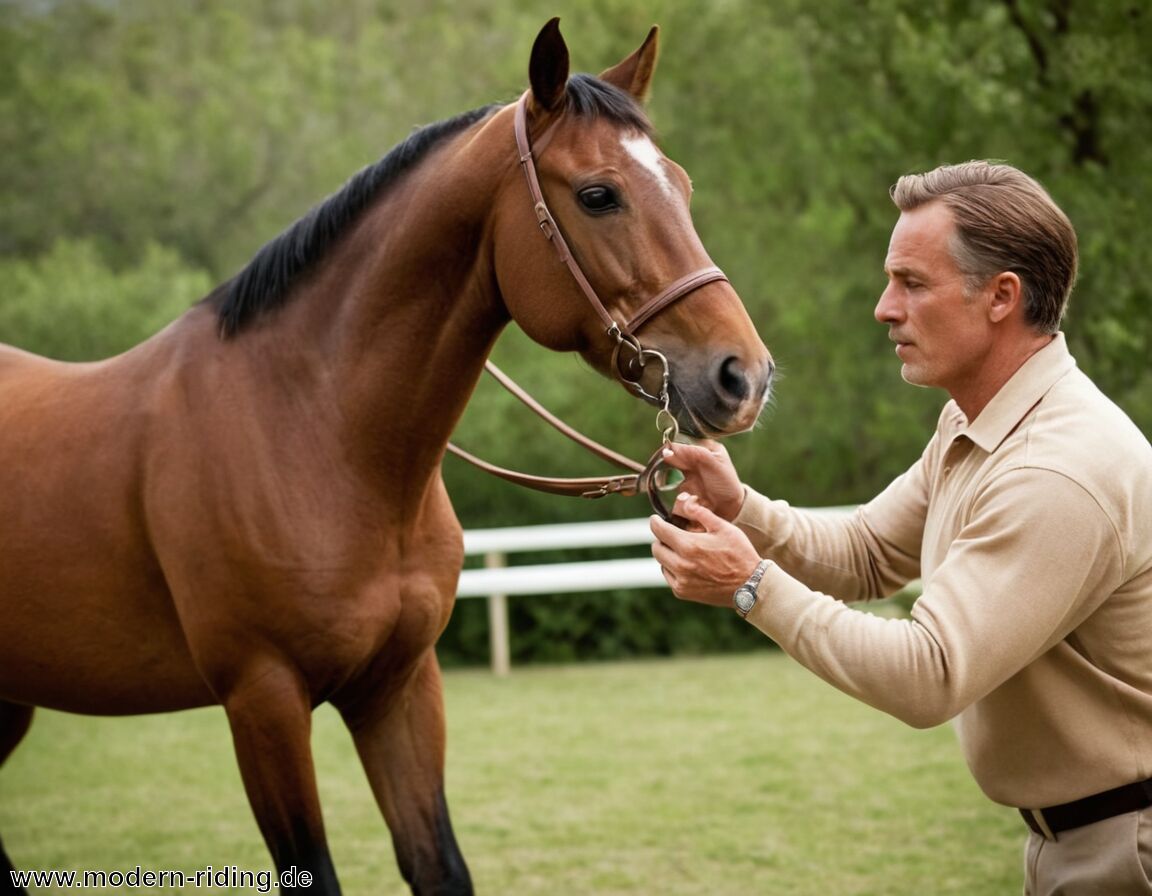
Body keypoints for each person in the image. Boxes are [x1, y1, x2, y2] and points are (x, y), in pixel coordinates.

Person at [649, 160, 1152, 895]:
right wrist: (740, 508)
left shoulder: (1057, 469)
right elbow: (865, 554)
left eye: (912, 283)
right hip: (1081, 838)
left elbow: (929, 674)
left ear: (1001, 297)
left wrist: (749, 585)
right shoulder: (977, 423)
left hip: (1126, 845)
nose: (885, 308)